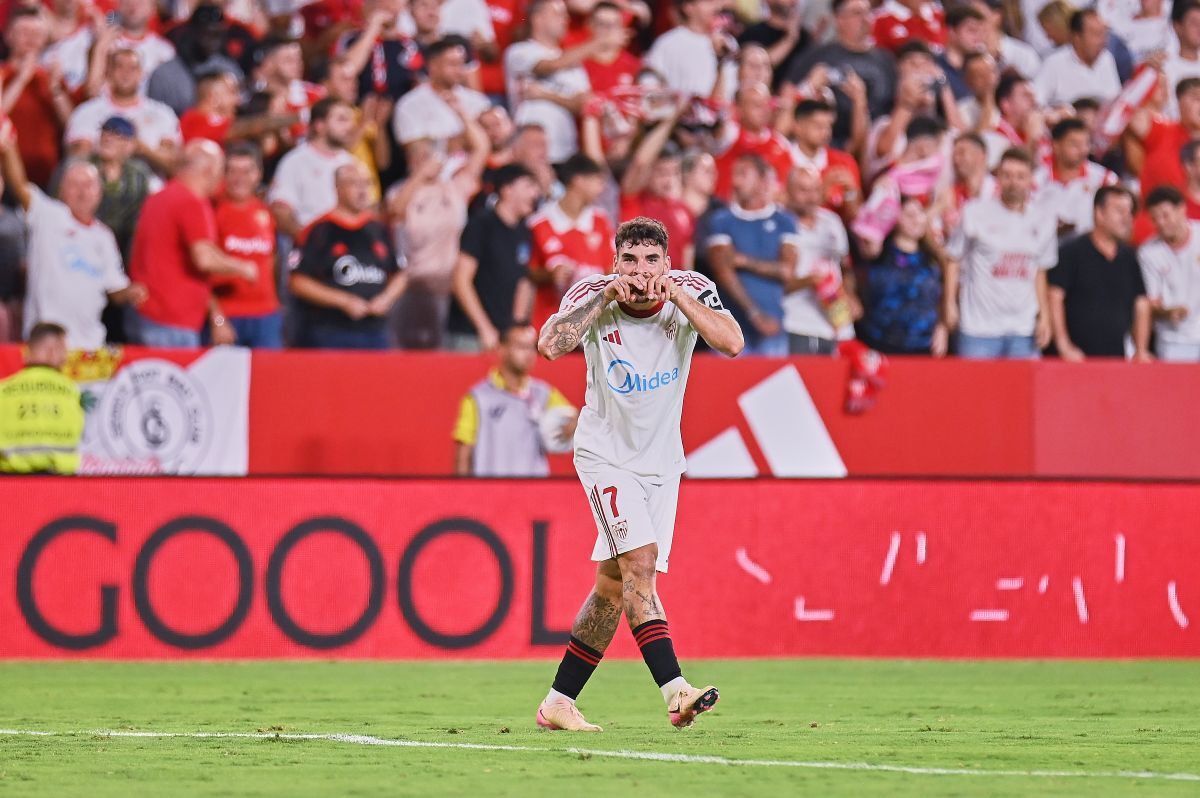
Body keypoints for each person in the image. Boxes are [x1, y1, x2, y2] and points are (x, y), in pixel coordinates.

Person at [533, 216, 743, 732]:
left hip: (662, 462)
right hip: (605, 456)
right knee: (640, 566)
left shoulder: (692, 290)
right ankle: (676, 692)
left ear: (668, 264)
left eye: (652, 260)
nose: (641, 271)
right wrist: (604, 298)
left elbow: (732, 342)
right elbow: (549, 345)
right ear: (615, 263)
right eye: (630, 260)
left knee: (611, 586)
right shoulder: (593, 294)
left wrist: (677, 297)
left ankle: (558, 703)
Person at [0, 119, 145, 351]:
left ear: (99, 192)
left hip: (89, 345)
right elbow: (19, 185)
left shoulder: (104, 237)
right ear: (61, 191)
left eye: (88, 185)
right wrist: (8, 148)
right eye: (74, 185)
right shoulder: (48, 215)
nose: (82, 191)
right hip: (44, 345)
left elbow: (114, 289)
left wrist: (131, 292)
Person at [128, 139, 258, 348]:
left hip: (149, 312)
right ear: (209, 170)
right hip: (170, 319)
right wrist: (243, 267)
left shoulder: (160, 197)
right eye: (221, 171)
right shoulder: (191, 202)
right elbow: (204, 259)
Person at [388, 92, 491, 349]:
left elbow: (481, 148)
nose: (428, 161)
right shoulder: (400, 191)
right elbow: (394, 212)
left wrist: (462, 113)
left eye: (431, 154)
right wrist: (418, 177)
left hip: (446, 289)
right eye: (420, 156)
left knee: (438, 357)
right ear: (410, 161)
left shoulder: (454, 188)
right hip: (410, 288)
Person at [944, 147, 1056, 359]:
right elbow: (953, 258)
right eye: (1007, 176)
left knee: (1022, 392)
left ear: (1030, 180)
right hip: (979, 328)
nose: (1014, 182)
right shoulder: (974, 212)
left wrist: (1045, 316)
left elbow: (1039, 272)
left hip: (1023, 328)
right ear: (998, 178)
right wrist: (950, 304)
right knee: (977, 391)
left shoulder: (1044, 220)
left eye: (1020, 176)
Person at [291, 162, 407, 350]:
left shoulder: (380, 229)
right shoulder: (318, 230)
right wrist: (343, 301)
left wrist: (386, 298)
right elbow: (298, 282)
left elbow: (400, 273)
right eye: (354, 184)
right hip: (329, 331)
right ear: (338, 188)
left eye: (366, 184)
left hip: (375, 331)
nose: (362, 191)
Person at [452, 324, 577, 476]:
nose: (529, 354)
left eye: (532, 347)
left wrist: (574, 424)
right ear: (502, 349)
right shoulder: (478, 398)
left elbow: (574, 419)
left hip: (533, 494)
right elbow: (463, 455)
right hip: (489, 494)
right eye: (521, 347)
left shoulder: (544, 394)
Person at [707, 153, 800, 356]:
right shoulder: (721, 220)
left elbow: (787, 271)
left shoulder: (785, 221)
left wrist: (743, 261)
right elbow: (723, 271)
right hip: (729, 329)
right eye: (734, 174)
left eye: (743, 174)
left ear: (762, 179)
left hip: (773, 329)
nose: (735, 181)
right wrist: (754, 313)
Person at [1049, 185, 1152, 361]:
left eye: (1129, 212)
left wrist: (1141, 349)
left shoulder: (1129, 257)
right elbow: (1054, 296)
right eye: (1119, 211)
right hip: (1074, 360)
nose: (1126, 218)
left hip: (1116, 360)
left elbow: (1141, 303)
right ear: (1099, 213)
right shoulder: (1071, 252)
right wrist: (1064, 345)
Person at [448, 164, 540, 351]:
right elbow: (460, 280)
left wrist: (516, 328)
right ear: (507, 190)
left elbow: (524, 280)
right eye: (528, 186)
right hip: (470, 335)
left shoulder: (525, 232)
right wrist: (484, 328)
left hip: (504, 339)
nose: (535, 193)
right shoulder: (481, 225)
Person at [528, 154, 616, 330]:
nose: (601, 188)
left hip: (595, 325)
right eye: (597, 181)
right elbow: (528, 271)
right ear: (578, 181)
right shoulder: (540, 222)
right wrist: (550, 275)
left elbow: (612, 269)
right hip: (553, 324)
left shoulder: (600, 220)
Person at [504, 0, 597, 163]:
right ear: (537, 18)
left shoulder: (573, 63)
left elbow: (583, 103)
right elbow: (548, 66)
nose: (565, 19)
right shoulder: (519, 51)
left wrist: (546, 95)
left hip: (565, 151)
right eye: (558, 13)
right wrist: (598, 43)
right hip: (528, 150)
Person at [65, 48, 181, 175]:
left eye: (132, 68)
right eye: (119, 67)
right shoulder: (87, 112)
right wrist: (107, 149)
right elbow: (75, 159)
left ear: (142, 73)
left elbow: (174, 164)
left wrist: (140, 148)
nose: (126, 73)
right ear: (109, 72)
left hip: (150, 189)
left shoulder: (162, 114)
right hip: (97, 188)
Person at [211, 143, 282, 349]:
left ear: (258, 175)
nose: (239, 178)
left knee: (270, 380)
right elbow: (199, 271)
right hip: (228, 314)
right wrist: (217, 318)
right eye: (232, 171)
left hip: (266, 315)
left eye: (247, 171)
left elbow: (273, 260)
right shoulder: (212, 212)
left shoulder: (266, 213)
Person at [859, 195, 947, 355]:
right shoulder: (877, 254)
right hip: (880, 342)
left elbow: (940, 297)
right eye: (909, 215)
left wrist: (942, 327)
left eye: (920, 214)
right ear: (895, 218)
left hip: (923, 345)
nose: (917, 220)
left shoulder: (933, 259)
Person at [780, 166, 855, 355]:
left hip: (838, 326)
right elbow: (774, 282)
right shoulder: (778, 223)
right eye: (803, 190)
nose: (811, 197)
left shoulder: (832, 222)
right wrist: (810, 281)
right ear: (787, 192)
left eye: (815, 190)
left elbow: (845, 267)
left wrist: (851, 295)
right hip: (797, 324)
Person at [2, 8, 73, 187]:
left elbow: (70, 125)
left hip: (47, 178)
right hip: (4, 176)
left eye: (37, 33)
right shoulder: (2, 73)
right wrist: (21, 79)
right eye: (25, 32)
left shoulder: (51, 77)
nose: (31, 39)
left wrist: (56, 90)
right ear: (9, 36)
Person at [269, 97, 357, 240]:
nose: (350, 126)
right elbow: (281, 211)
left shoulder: (352, 164)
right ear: (319, 125)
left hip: (346, 249)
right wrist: (309, 242)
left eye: (350, 120)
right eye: (342, 119)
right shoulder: (295, 161)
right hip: (309, 247)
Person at [0, 322, 84, 474]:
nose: (65, 358)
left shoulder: (3, 390)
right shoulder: (70, 390)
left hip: (9, 483)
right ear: (52, 351)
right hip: (58, 484)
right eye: (63, 351)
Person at [392, 36, 491, 158]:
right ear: (433, 66)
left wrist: (443, 142)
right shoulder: (409, 104)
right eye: (453, 64)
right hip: (432, 174)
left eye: (462, 63)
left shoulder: (477, 101)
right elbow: (418, 152)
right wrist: (468, 139)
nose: (459, 70)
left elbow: (491, 142)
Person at [146, 4, 244, 117]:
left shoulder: (230, 69)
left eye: (217, 35)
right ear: (192, 31)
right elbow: (154, 117)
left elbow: (238, 112)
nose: (213, 41)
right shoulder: (164, 75)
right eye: (207, 33)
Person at [1139, 186, 1200, 361]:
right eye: (1154, 218)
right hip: (1173, 341)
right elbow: (1152, 302)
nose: (1161, 223)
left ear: (1182, 209)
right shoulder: (1148, 252)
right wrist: (1168, 312)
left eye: (1165, 215)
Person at [1033, 117, 1118, 241]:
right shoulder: (1037, 180)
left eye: (1086, 144)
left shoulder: (1105, 179)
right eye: (1074, 144)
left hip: (1089, 248)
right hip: (1045, 245)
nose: (1082, 150)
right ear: (1056, 146)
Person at [712, 83, 797, 202]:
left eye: (766, 104)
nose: (764, 110)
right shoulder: (729, 136)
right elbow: (717, 123)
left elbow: (787, 189)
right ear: (739, 109)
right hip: (724, 208)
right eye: (756, 105)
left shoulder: (781, 144)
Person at [644, 0, 733, 99]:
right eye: (708, 2)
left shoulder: (727, 43)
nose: (716, 8)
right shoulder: (667, 43)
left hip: (715, 112)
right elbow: (650, 84)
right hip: (677, 112)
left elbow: (730, 92)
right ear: (688, 7)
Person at [790, 99, 861, 220]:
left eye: (828, 126)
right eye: (818, 126)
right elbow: (785, 209)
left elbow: (855, 217)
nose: (826, 132)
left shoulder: (844, 162)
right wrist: (822, 190)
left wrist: (851, 193)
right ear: (798, 127)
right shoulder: (779, 159)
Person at [1034, 8, 1121, 108]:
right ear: (1077, 37)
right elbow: (1036, 102)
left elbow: (1116, 100)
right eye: (1096, 34)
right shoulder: (1054, 63)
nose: (1103, 41)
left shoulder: (1107, 58)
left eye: (1104, 34)